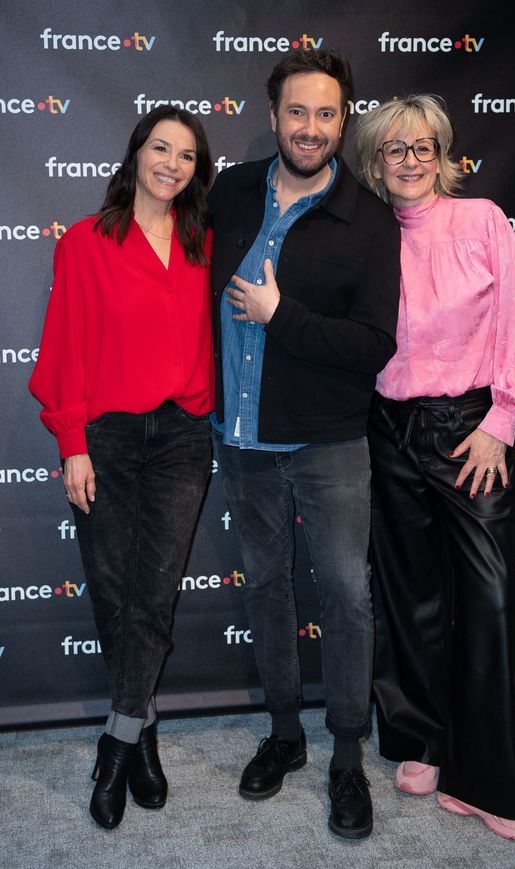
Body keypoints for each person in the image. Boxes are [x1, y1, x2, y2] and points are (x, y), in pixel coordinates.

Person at [209, 48, 400, 839]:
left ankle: (347, 754)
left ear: (343, 117)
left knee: (347, 600)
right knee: (265, 588)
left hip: (328, 443)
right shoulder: (231, 191)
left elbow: (373, 345)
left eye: (326, 113)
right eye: (297, 112)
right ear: (274, 114)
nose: (311, 128)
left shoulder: (369, 220)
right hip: (242, 439)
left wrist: (281, 314)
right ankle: (285, 733)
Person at [355, 95, 515, 840]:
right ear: (375, 162)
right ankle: (416, 738)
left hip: (470, 430)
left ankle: (488, 778)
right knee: (408, 595)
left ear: (443, 155)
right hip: (387, 430)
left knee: (489, 599)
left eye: (423, 147)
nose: (410, 160)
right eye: (395, 149)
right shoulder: (367, 235)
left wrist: (502, 421)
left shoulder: (483, 219)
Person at [29, 106, 214, 830]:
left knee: (155, 594)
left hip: (180, 439)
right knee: (113, 592)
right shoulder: (85, 240)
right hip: (103, 437)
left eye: (187, 155)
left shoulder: (205, 244)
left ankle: (116, 744)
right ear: (136, 153)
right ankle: (141, 725)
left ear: (197, 171)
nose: (171, 163)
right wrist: (71, 440)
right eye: (160, 148)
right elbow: (65, 344)